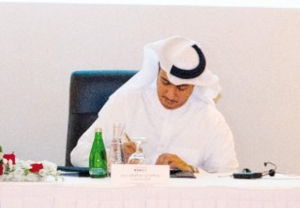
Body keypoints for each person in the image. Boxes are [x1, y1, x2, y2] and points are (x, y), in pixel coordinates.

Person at [72, 36, 239, 174]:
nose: (170, 95)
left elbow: (227, 177)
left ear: (195, 86)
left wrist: (191, 170)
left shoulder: (210, 120)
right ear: (157, 72)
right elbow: (78, 155)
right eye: (165, 82)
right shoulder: (126, 102)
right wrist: (116, 155)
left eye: (181, 88)